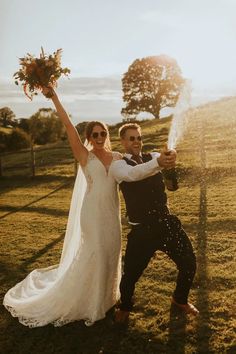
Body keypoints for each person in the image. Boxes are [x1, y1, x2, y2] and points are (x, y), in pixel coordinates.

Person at [3, 88, 175, 327]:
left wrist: (160, 160)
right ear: (88, 136)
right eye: (94, 134)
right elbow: (68, 126)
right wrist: (54, 97)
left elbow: (136, 168)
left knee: (110, 253)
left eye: (102, 132)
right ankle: (91, 304)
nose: (99, 136)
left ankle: (106, 299)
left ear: (107, 134)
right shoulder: (84, 155)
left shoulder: (117, 156)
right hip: (92, 214)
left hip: (110, 212)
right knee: (95, 252)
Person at [109, 123, 199, 325]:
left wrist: (170, 166)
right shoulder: (119, 165)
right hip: (142, 231)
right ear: (123, 141)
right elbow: (134, 175)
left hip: (166, 223)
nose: (136, 142)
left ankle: (179, 299)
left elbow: (172, 187)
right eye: (131, 138)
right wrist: (159, 162)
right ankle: (125, 306)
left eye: (139, 138)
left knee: (189, 264)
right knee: (131, 274)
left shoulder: (154, 156)